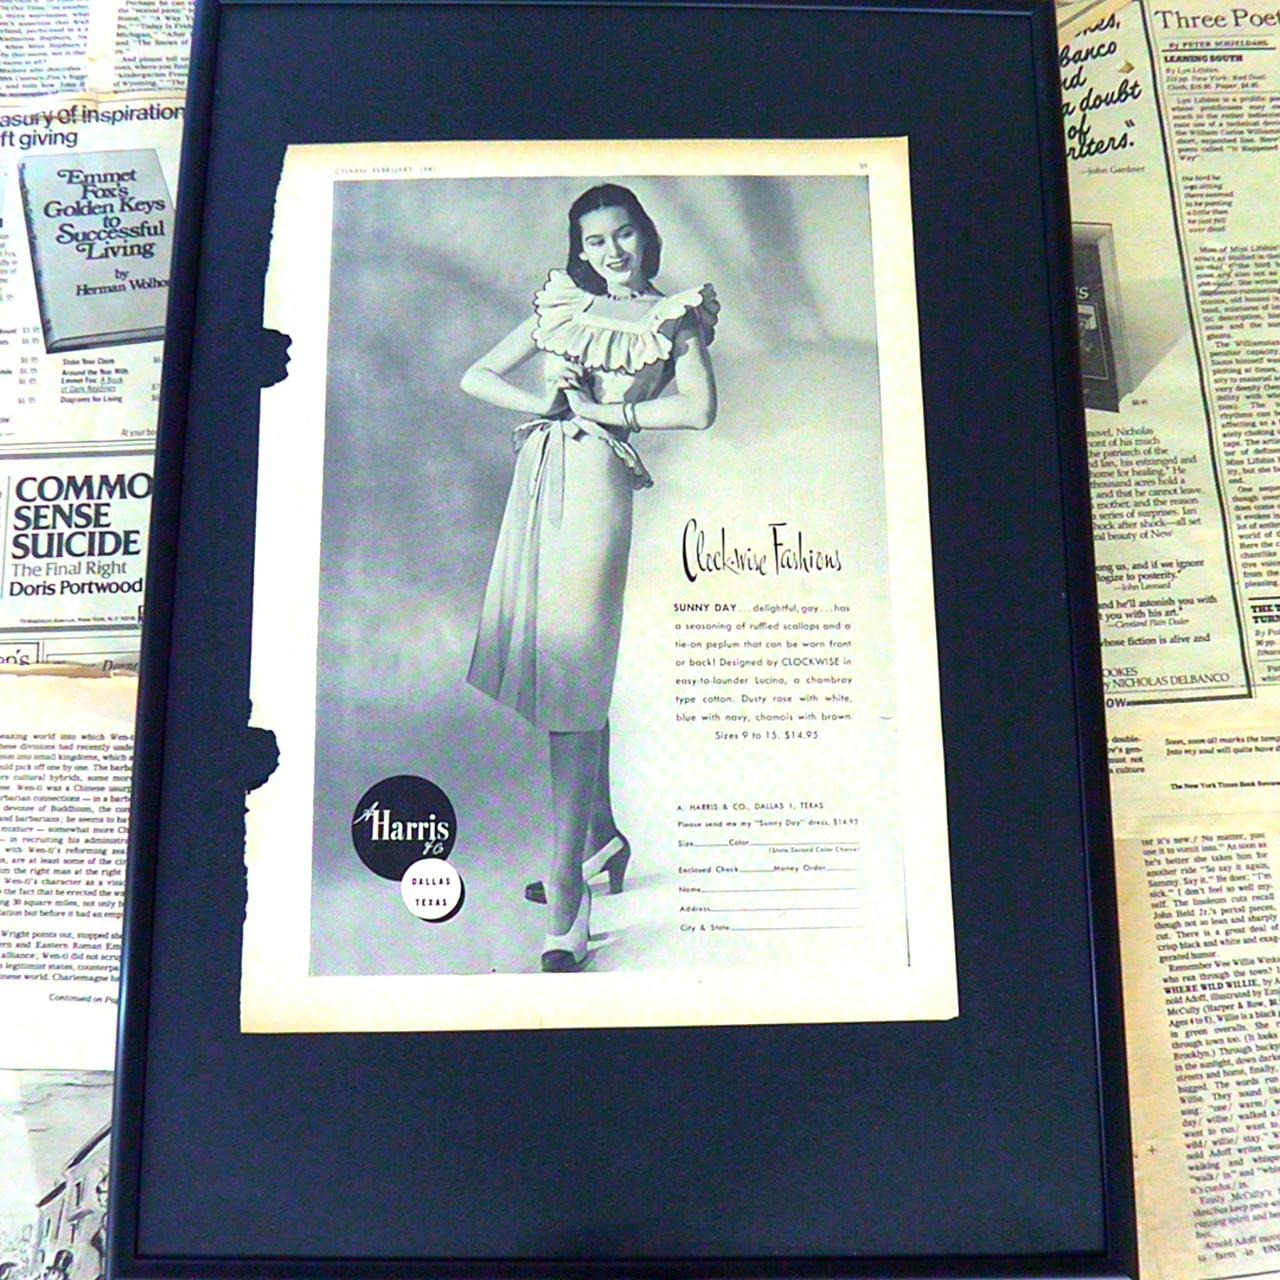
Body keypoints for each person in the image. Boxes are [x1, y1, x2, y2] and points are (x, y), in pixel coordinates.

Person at [462, 183, 718, 971]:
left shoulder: (671, 316)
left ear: (646, 235)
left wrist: (611, 414)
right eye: (596, 240)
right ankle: (602, 840)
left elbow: (700, 409)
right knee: (566, 672)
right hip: (539, 481)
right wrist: (543, 398)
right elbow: (477, 375)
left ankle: (567, 888)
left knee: (576, 674)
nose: (612, 251)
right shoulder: (564, 305)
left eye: (624, 234)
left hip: (599, 487)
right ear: (580, 248)